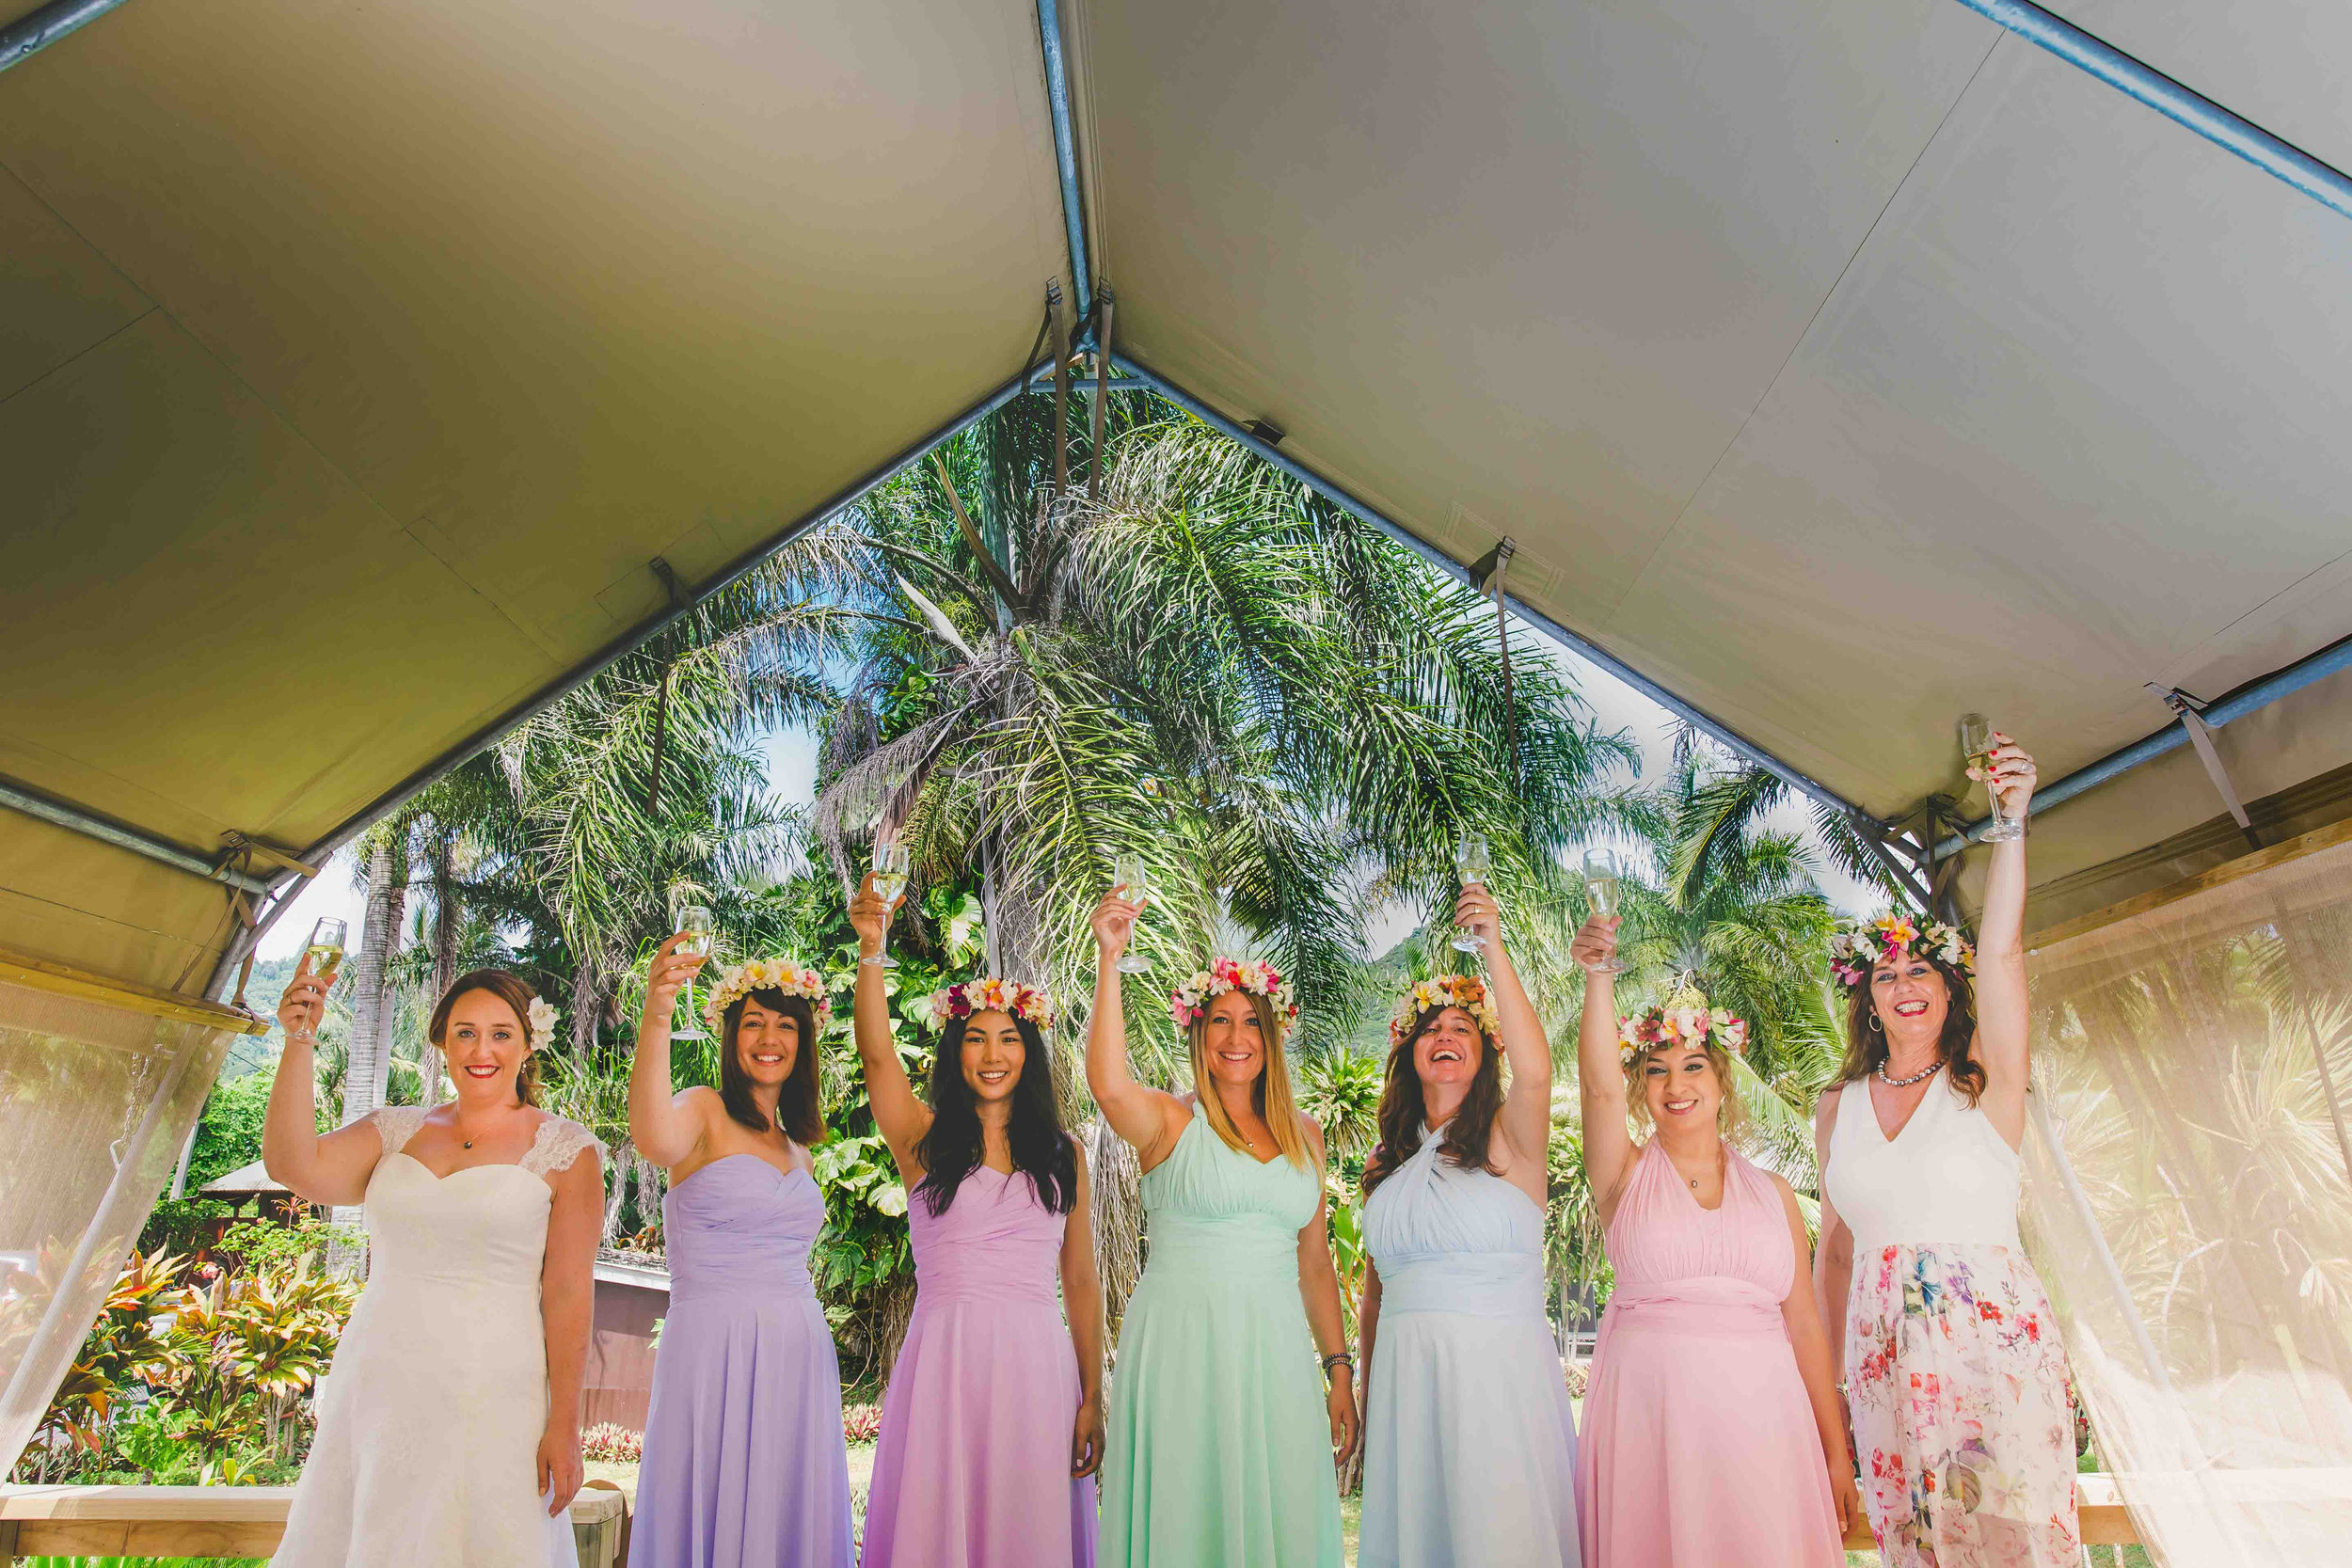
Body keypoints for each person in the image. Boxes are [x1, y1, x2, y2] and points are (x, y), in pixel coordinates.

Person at [1815, 733, 2078, 1567]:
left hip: (1992, 1354)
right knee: (1917, 1551)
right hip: (1882, 1362)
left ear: (1949, 987)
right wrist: (1829, 1400)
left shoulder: (1986, 1084)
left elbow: (2000, 948)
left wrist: (2009, 823)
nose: (1906, 982)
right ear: (1870, 1000)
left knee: (2015, 1547)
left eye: (1923, 967)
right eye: (1887, 973)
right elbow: (1835, 1255)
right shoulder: (1836, 1106)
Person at [263, 959, 599, 1567]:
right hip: (382, 1384)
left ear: (529, 1043)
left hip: (497, 1396)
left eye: (501, 1032)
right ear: (443, 1039)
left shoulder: (567, 1149)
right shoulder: (394, 1129)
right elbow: (294, 1164)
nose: (482, 1049)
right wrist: (299, 1039)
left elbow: (570, 1292)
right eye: (465, 1031)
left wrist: (566, 1425)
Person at [1087, 889, 1355, 1568]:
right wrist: (1109, 959)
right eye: (1220, 1022)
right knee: (1187, 1507)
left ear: (1272, 1036)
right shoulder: (1170, 1122)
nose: (1237, 1038)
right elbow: (1110, 1084)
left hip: (1274, 1351)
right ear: (1198, 1034)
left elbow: (1315, 1262)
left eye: (1251, 1023)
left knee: (1280, 1504)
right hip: (1183, 1342)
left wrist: (1340, 1369)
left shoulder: (1308, 1138)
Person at [1573, 926, 1855, 1567]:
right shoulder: (1622, 1173)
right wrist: (1598, 977)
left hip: (1765, 1420)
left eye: (1693, 1065)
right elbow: (1597, 1089)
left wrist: (1836, 1452)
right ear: (1642, 1089)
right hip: (1652, 1414)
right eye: (1657, 1070)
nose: (1676, 1084)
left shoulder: (1776, 1192)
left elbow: (1805, 1327)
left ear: (1723, 1080)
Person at [847, 873, 1104, 1568]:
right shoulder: (922, 1143)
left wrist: (1091, 1395)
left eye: (1009, 1039)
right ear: (955, 1051)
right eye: (977, 1039)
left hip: (1036, 1369)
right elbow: (875, 1057)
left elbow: (1080, 1282)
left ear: (1031, 1051)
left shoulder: (1064, 1154)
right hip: (945, 1364)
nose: (993, 1055)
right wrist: (872, 948)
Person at [1356, 883, 1581, 1568]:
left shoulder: (1510, 1136)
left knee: (1498, 1533)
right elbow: (1374, 1298)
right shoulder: (1386, 1161)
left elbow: (1537, 1070)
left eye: (1463, 1028)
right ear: (1410, 1052)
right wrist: (1370, 1400)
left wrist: (1492, 943)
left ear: (1486, 1053)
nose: (1446, 1036)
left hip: (1496, 1375)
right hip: (1406, 1380)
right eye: (1432, 1028)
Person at [627, 938, 852, 1568]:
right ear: (730, 1034)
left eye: (785, 1024)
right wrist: (658, 1008)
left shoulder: (799, 1146)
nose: (769, 1036)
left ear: (803, 1042)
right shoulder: (702, 1109)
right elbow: (649, 1134)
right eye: (753, 1022)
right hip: (713, 1345)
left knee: (786, 1513)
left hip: (799, 1352)